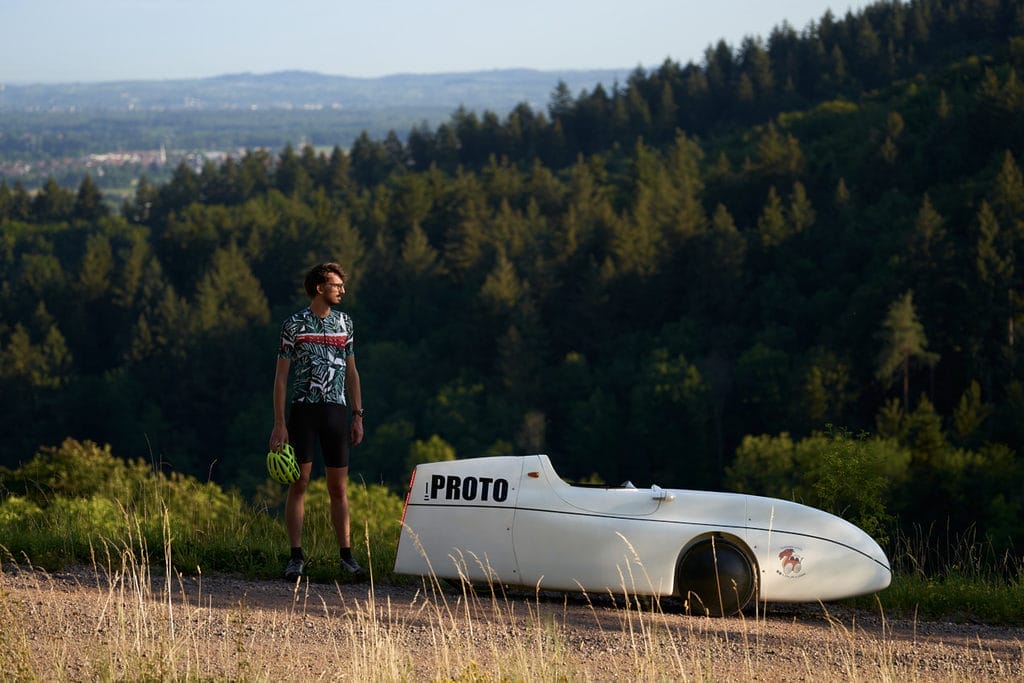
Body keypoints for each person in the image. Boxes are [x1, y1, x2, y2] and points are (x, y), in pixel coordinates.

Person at [269, 262, 365, 580]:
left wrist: (358, 415)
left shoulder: (345, 323)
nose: (342, 291)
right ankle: (295, 557)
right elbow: (280, 378)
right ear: (320, 287)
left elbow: (352, 371)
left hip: (336, 411)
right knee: (300, 484)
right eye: (337, 286)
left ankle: (347, 557)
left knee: (338, 488)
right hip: (303, 411)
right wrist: (279, 423)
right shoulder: (294, 325)